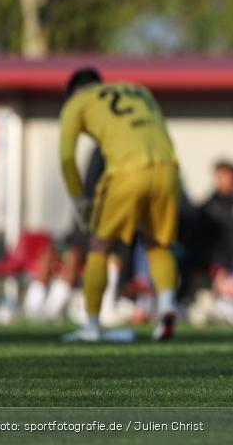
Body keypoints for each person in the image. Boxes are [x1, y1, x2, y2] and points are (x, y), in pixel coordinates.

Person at [59, 67, 180, 342]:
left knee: (99, 245)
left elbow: (66, 157)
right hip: (168, 169)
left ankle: (91, 324)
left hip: (127, 172)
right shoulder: (138, 89)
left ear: (75, 92)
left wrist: (78, 198)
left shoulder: (77, 102)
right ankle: (166, 307)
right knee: (158, 244)